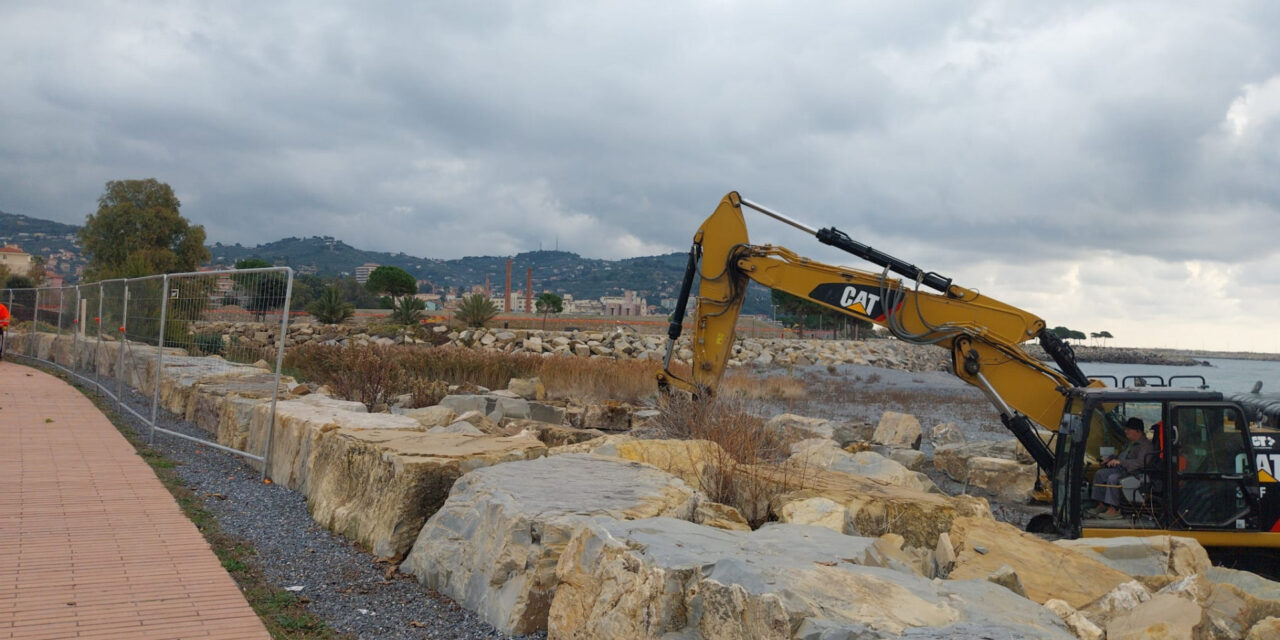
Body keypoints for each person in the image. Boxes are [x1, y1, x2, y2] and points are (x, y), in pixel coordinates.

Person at [1090, 417, 1157, 519]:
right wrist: (1111, 459)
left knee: (1113, 478)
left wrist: (1121, 462)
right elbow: (1122, 456)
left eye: (1128, 429)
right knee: (1100, 474)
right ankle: (1102, 504)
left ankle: (1114, 509)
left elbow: (1141, 463)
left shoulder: (1146, 446)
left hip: (1135, 472)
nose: (1126, 431)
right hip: (1122, 469)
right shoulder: (1129, 443)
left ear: (1138, 431)